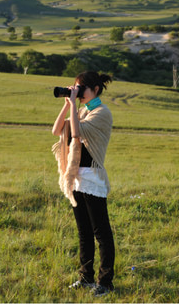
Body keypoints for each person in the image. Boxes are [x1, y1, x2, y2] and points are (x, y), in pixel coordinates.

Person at [51, 70, 115, 297]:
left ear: (95, 90)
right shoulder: (81, 111)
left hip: (93, 178)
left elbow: (76, 134)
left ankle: (105, 282)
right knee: (84, 232)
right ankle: (86, 277)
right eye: (75, 88)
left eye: (81, 89)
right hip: (76, 176)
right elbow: (57, 130)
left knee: (101, 233)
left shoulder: (101, 112)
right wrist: (67, 104)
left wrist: (72, 107)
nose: (77, 93)